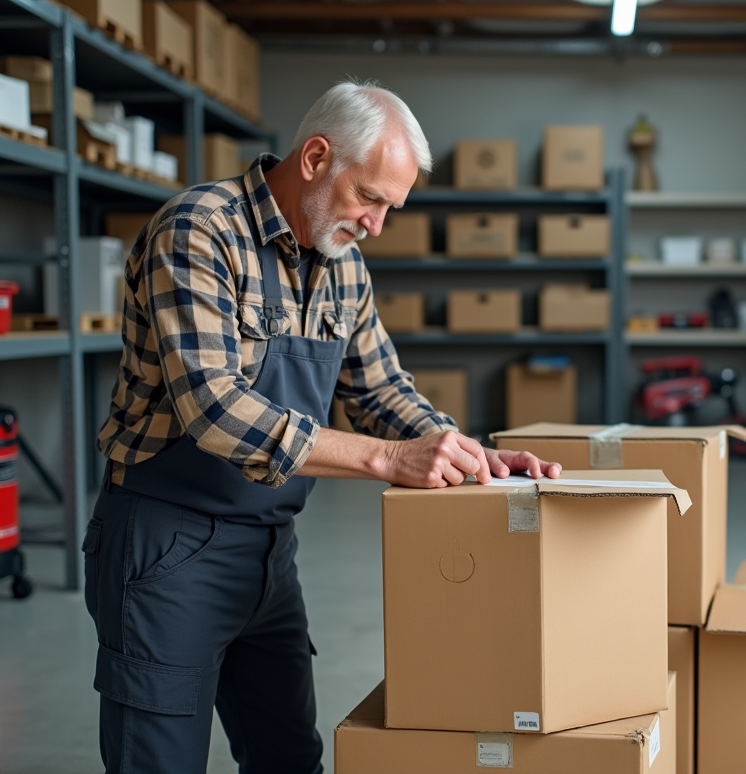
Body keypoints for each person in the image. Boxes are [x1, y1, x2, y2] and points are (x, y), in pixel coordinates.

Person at [83, 79, 561, 774]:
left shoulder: (343, 268)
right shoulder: (198, 231)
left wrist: (465, 452)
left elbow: (379, 388)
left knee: (289, 759)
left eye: (390, 208)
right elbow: (214, 407)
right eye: (369, 198)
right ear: (314, 158)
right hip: (168, 546)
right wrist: (388, 459)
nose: (376, 225)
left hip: (269, 549)